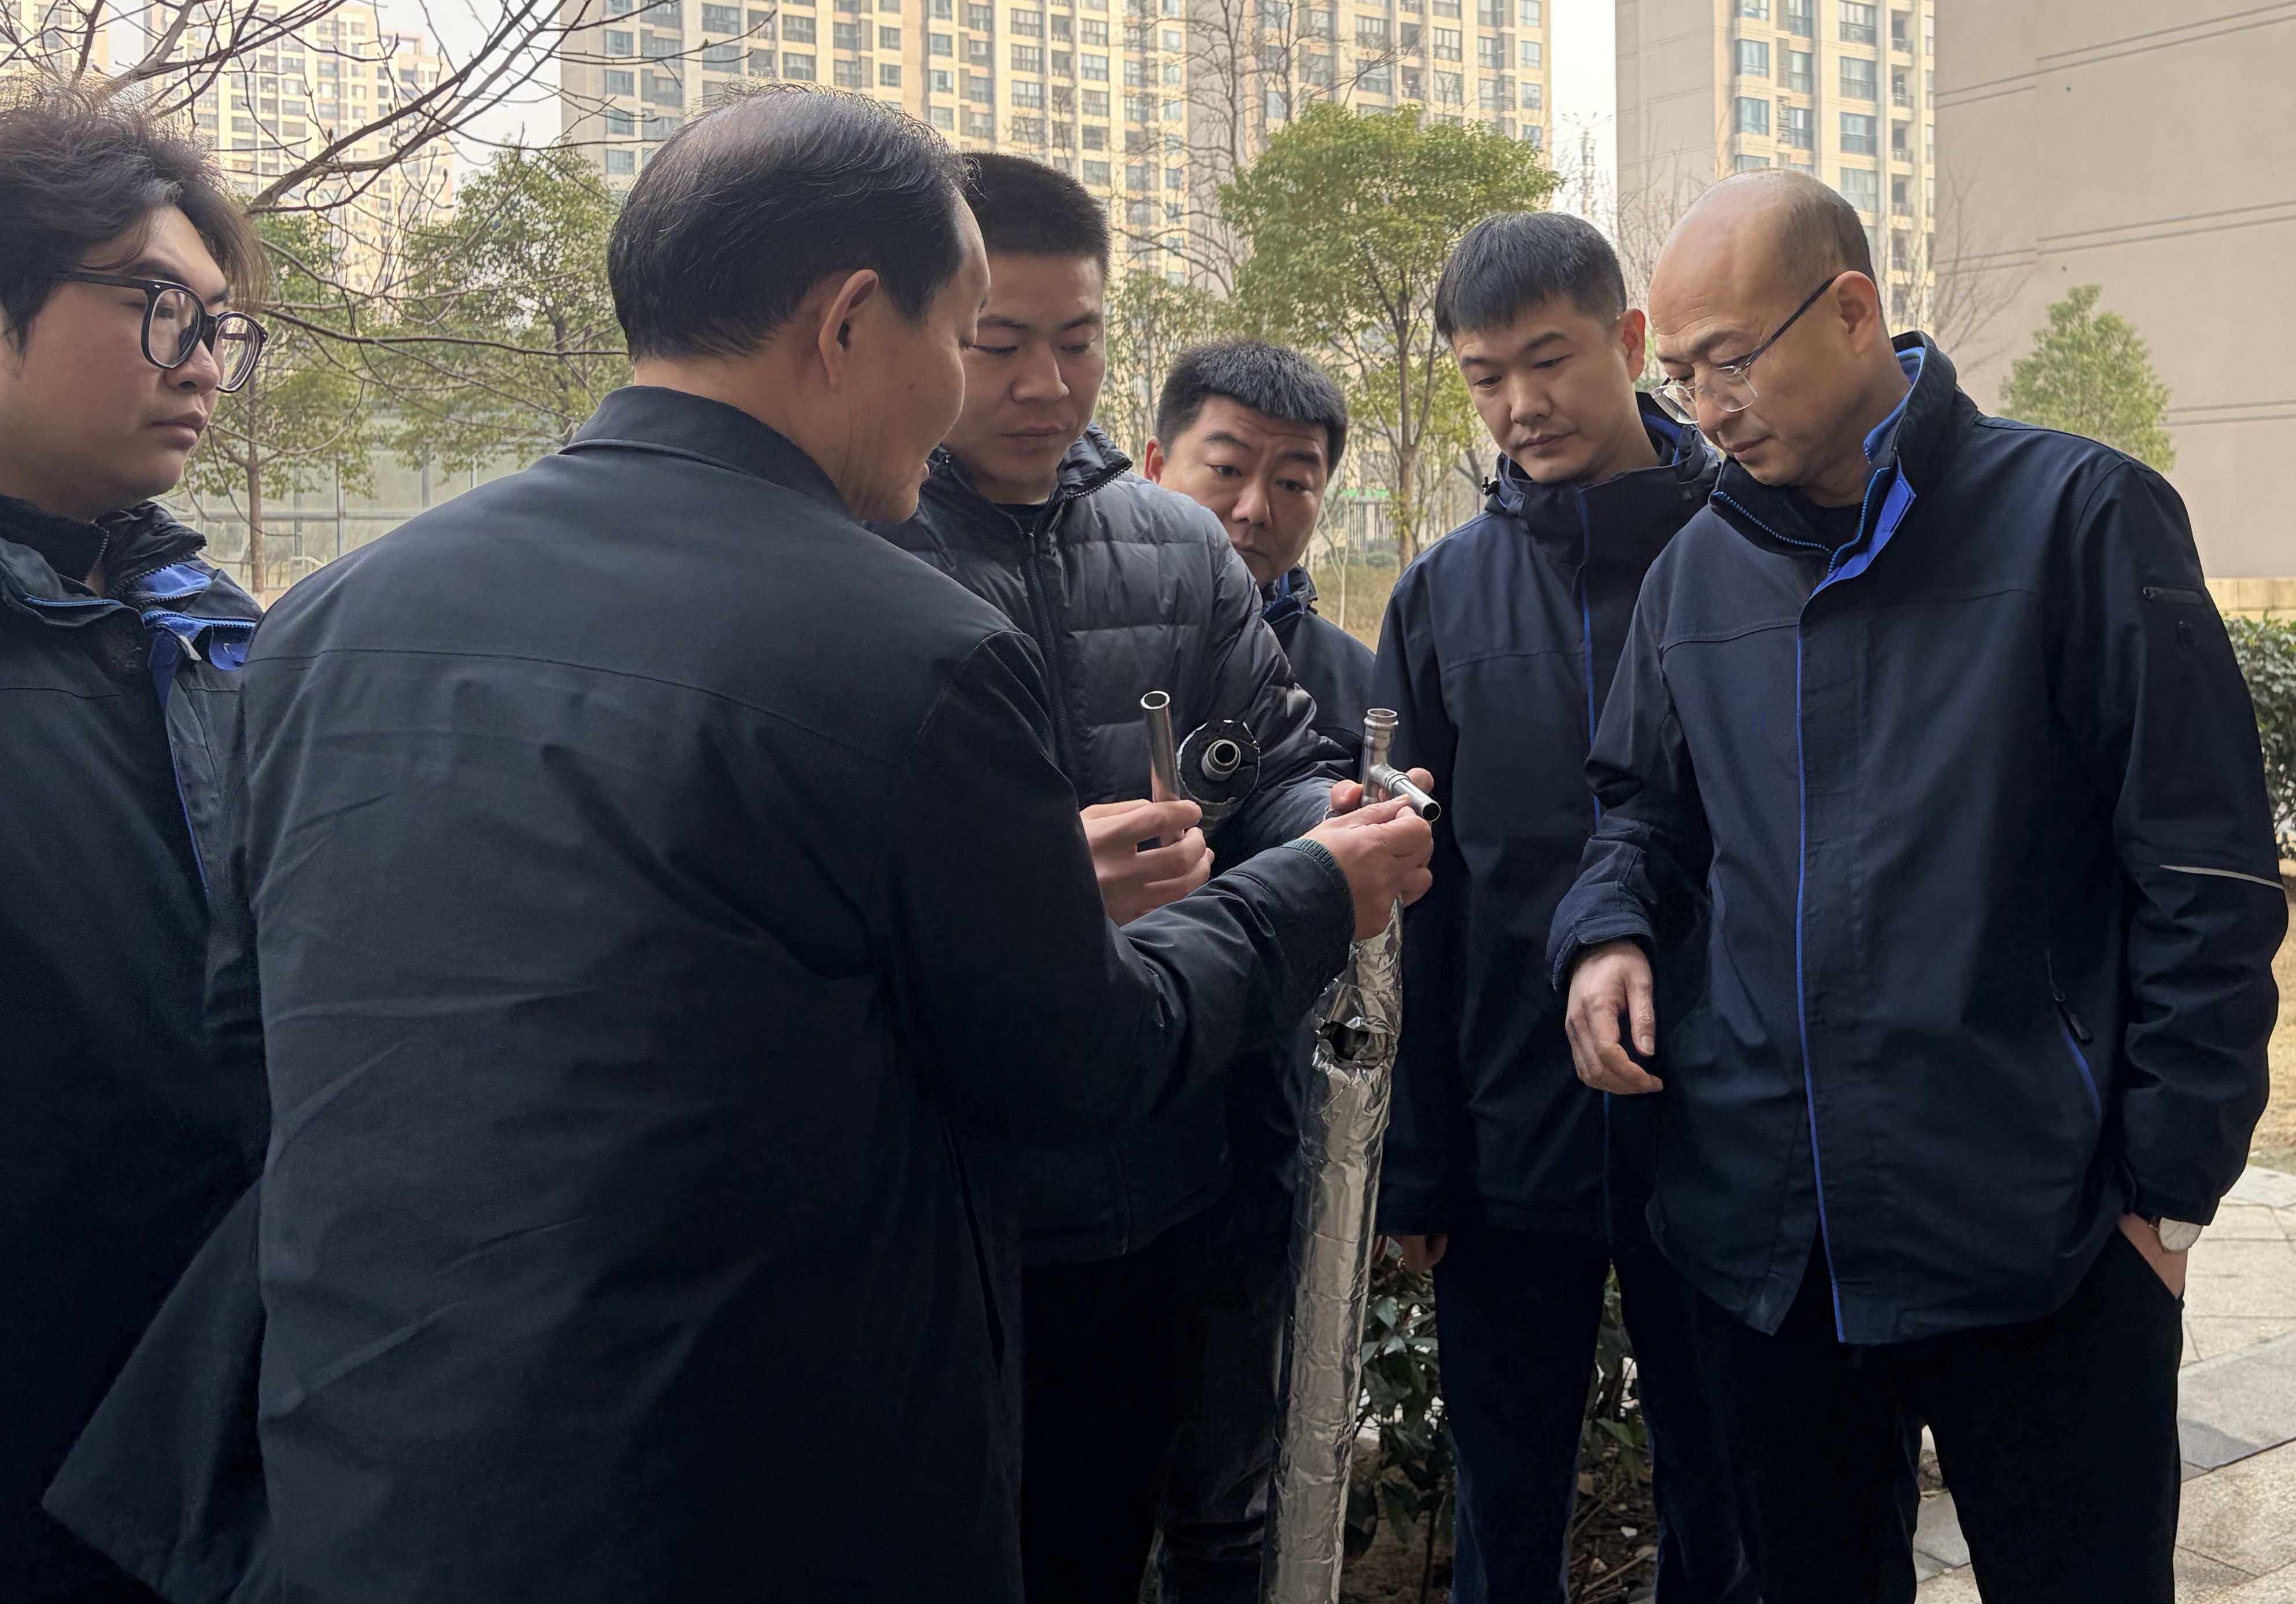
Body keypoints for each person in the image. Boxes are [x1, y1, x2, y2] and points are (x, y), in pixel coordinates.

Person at [51, 92, 1435, 1604]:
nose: (983, 393)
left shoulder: (330, 618)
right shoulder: (907, 648)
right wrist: (1312, 887)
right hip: (745, 1478)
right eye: (962, 336)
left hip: (370, 1469)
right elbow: (1082, 1057)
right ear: (849, 323)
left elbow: (254, 1028)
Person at [1551, 169, 2284, 1604]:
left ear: (1850, 311)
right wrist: (1605, 932)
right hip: (1769, 1246)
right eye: (1680, 372)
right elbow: (1638, 811)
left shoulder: (2078, 519)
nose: (1703, 406)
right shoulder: (1696, 576)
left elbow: (2204, 872)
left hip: (2042, 1233)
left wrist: (2164, 1199)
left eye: (1730, 360)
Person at [872, 158, 1416, 1603]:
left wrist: (1325, 821)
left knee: (1112, 1534)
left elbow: (1275, 759)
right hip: (949, 1204)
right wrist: (1043, 874)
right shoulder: (858, 540)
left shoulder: (1173, 546)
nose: (1046, 385)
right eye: (998, 342)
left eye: (1079, 339)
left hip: (1161, 1169)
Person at [1368, 212, 1755, 1604]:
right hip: (1507, 1132)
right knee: (1505, 1491)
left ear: (1628, 341)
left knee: (1726, 1490)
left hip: (1719, 1125)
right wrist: (1416, 1162)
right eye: (1485, 376)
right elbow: (1410, 904)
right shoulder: (1440, 598)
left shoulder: (1747, 553)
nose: (1520, 403)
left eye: (1548, 359)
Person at [0, 92, 270, 1603]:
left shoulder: (221, 639)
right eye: (156, 305)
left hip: (213, 1399)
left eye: (220, 323)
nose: (202, 361)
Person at [1138, 338, 1371, 1602]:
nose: (1253, 508)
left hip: (1260, 1136)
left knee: (1226, 1501)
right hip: (1100, 1132)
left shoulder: (1347, 681)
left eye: (1293, 480)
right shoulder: (1081, 641)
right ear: (1153, 461)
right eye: (1225, 468)